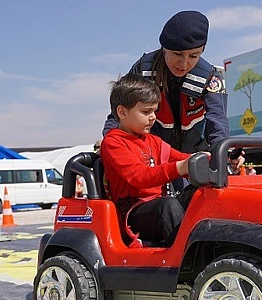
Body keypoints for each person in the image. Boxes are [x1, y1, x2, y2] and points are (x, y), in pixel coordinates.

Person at [102, 10, 242, 188]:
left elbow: (218, 122)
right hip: (153, 156)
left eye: (193, 56)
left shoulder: (209, 77)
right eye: (177, 54)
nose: (183, 64)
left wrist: (223, 154)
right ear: (164, 49)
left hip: (192, 155)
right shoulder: (143, 70)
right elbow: (119, 113)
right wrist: (111, 142)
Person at [101, 73, 202, 247]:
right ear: (122, 112)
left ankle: (213, 241)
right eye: (146, 111)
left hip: (158, 206)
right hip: (133, 212)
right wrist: (179, 168)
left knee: (201, 191)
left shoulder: (153, 140)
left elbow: (181, 158)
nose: (153, 117)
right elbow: (139, 177)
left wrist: (206, 159)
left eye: (154, 110)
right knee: (167, 206)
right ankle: (190, 255)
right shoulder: (113, 142)